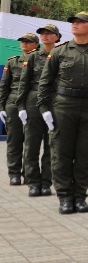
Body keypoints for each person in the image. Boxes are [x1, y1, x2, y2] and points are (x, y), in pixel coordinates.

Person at [38, 12, 88, 215]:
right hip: (63, 106)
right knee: (61, 154)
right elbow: (45, 82)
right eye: (73, 22)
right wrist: (44, 108)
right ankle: (65, 197)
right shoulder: (59, 52)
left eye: (81, 22)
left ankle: (80, 196)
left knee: (84, 155)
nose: (75, 24)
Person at [17, 24, 60, 197]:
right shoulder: (33, 57)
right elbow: (23, 83)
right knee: (32, 145)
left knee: (52, 146)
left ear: (57, 37)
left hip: (55, 101)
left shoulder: (61, 55)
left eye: (49, 33)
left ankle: (46, 182)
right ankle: (33, 182)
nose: (45, 36)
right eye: (42, 33)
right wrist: (21, 106)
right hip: (33, 101)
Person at [1, 33, 38, 185]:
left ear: (36, 44)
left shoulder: (42, 61)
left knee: (31, 142)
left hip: (32, 102)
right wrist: (1, 106)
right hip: (13, 103)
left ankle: (29, 174)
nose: (24, 44)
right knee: (14, 141)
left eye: (28, 41)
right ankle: (14, 173)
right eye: (23, 41)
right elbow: (4, 86)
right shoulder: (12, 62)